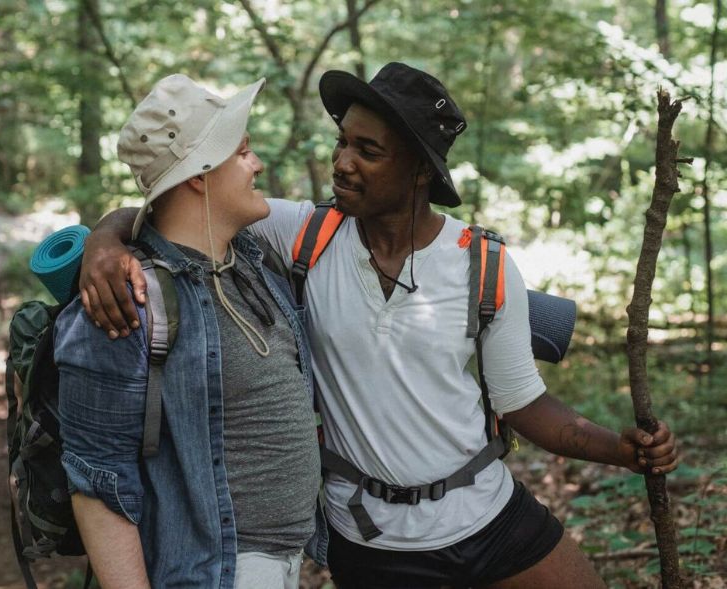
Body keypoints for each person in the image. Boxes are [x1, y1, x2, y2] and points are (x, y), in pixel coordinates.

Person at [78, 63, 678, 589]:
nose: (342, 163)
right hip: (369, 534)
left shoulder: (485, 264)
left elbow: (525, 404)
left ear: (420, 171)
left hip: (488, 514)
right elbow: (179, 202)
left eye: (368, 151)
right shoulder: (302, 234)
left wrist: (620, 450)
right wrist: (104, 240)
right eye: (341, 142)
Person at [54, 73, 327, 589]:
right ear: (200, 174)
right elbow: (97, 484)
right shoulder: (127, 301)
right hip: (214, 570)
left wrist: (106, 232)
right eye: (242, 153)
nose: (258, 164)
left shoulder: (250, 259)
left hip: (285, 563)